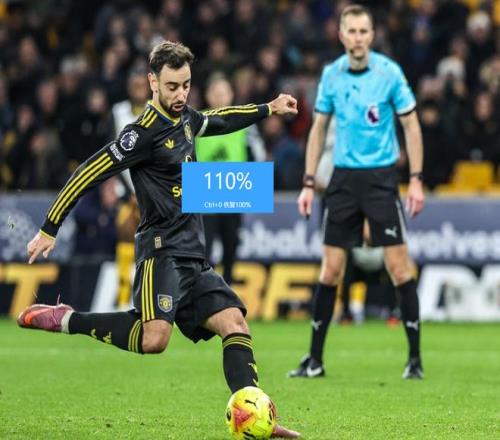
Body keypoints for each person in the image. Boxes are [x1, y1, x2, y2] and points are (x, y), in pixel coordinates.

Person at [18, 41, 300, 438]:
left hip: (194, 254)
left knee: (235, 322)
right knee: (155, 340)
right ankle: (68, 320)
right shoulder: (141, 134)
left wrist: (268, 108)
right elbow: (88, 171)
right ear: (152, 82)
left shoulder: (185, 119)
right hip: (161, 251)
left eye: (186, 85)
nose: (181, 94)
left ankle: (255, 415)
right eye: (172, 86)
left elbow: (218, 118)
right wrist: (50, 226)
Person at [287, 5, 425, 380]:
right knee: (330, 270)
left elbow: (411, 125)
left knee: (399, 268)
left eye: (364, 31)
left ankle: (414, 360)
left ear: (372, 35)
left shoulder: (389, 73)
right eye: (352, 31)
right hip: (344, 180)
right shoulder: (331, 74)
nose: (359, 38)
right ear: (341, 35)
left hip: (381, 179)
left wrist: (415, 178)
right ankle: (314, 360)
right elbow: (318, 129)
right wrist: (308, 182)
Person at [196, 73, 265, 286]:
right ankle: (206, 291)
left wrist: (254, 185)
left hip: (234, 189)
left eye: (223, 92)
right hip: (204, 191)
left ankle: (226, 291)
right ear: (208, 95)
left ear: (231, 94)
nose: (219, 97)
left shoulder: (245, 122)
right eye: (215, 93)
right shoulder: (197, 121)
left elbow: (259, 155)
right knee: (204, 247)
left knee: (231, 244)